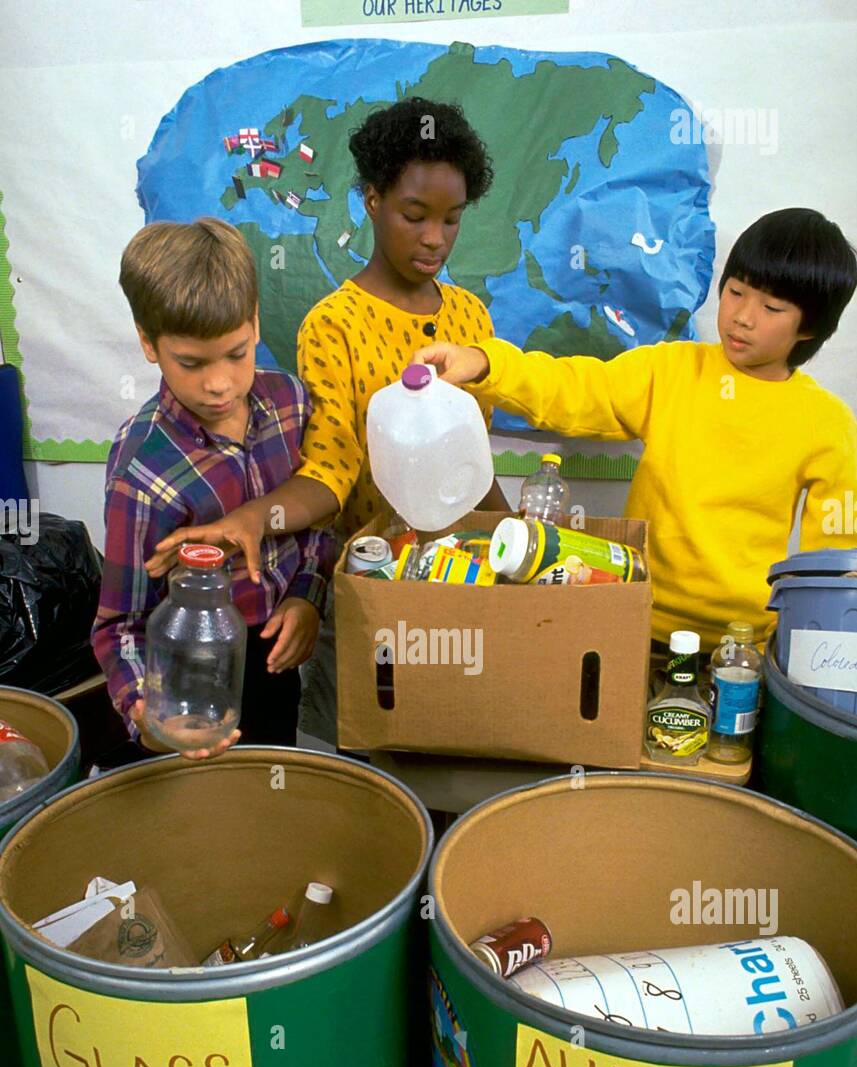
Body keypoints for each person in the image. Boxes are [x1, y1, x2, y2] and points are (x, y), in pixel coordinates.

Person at [145, 98, 506, 742]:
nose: (434, 239)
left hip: (462, 578)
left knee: (461, 738)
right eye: (414, 215)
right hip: (374, 586)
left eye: (452, 220)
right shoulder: (334, 326)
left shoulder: (471, 319)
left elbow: (472, 458)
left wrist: (521, 544)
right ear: (370, 200)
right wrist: (255, 518)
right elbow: (332, 473)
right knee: (376, 743)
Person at [412, 207, 857, 655]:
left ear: (812, 327)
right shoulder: (672, 371)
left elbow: (832, 571)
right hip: (634, 620)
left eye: (771, 307)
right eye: (736, 291)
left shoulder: (826, 423)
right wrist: (487, 364)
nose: (742, 316)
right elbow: (578, 388)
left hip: (743, 649)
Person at [92, 217, 335, 761]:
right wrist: (148, 718)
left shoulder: (292, 405)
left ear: (254, 321)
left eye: (237, 352)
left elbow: (318, 517)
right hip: (187, 679)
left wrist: (306, 597)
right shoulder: (143, 473)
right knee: (196, 828)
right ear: (149, 343)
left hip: (272, 660)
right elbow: (119, 628)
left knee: (265, 803)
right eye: (192, 363)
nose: (220, 382)